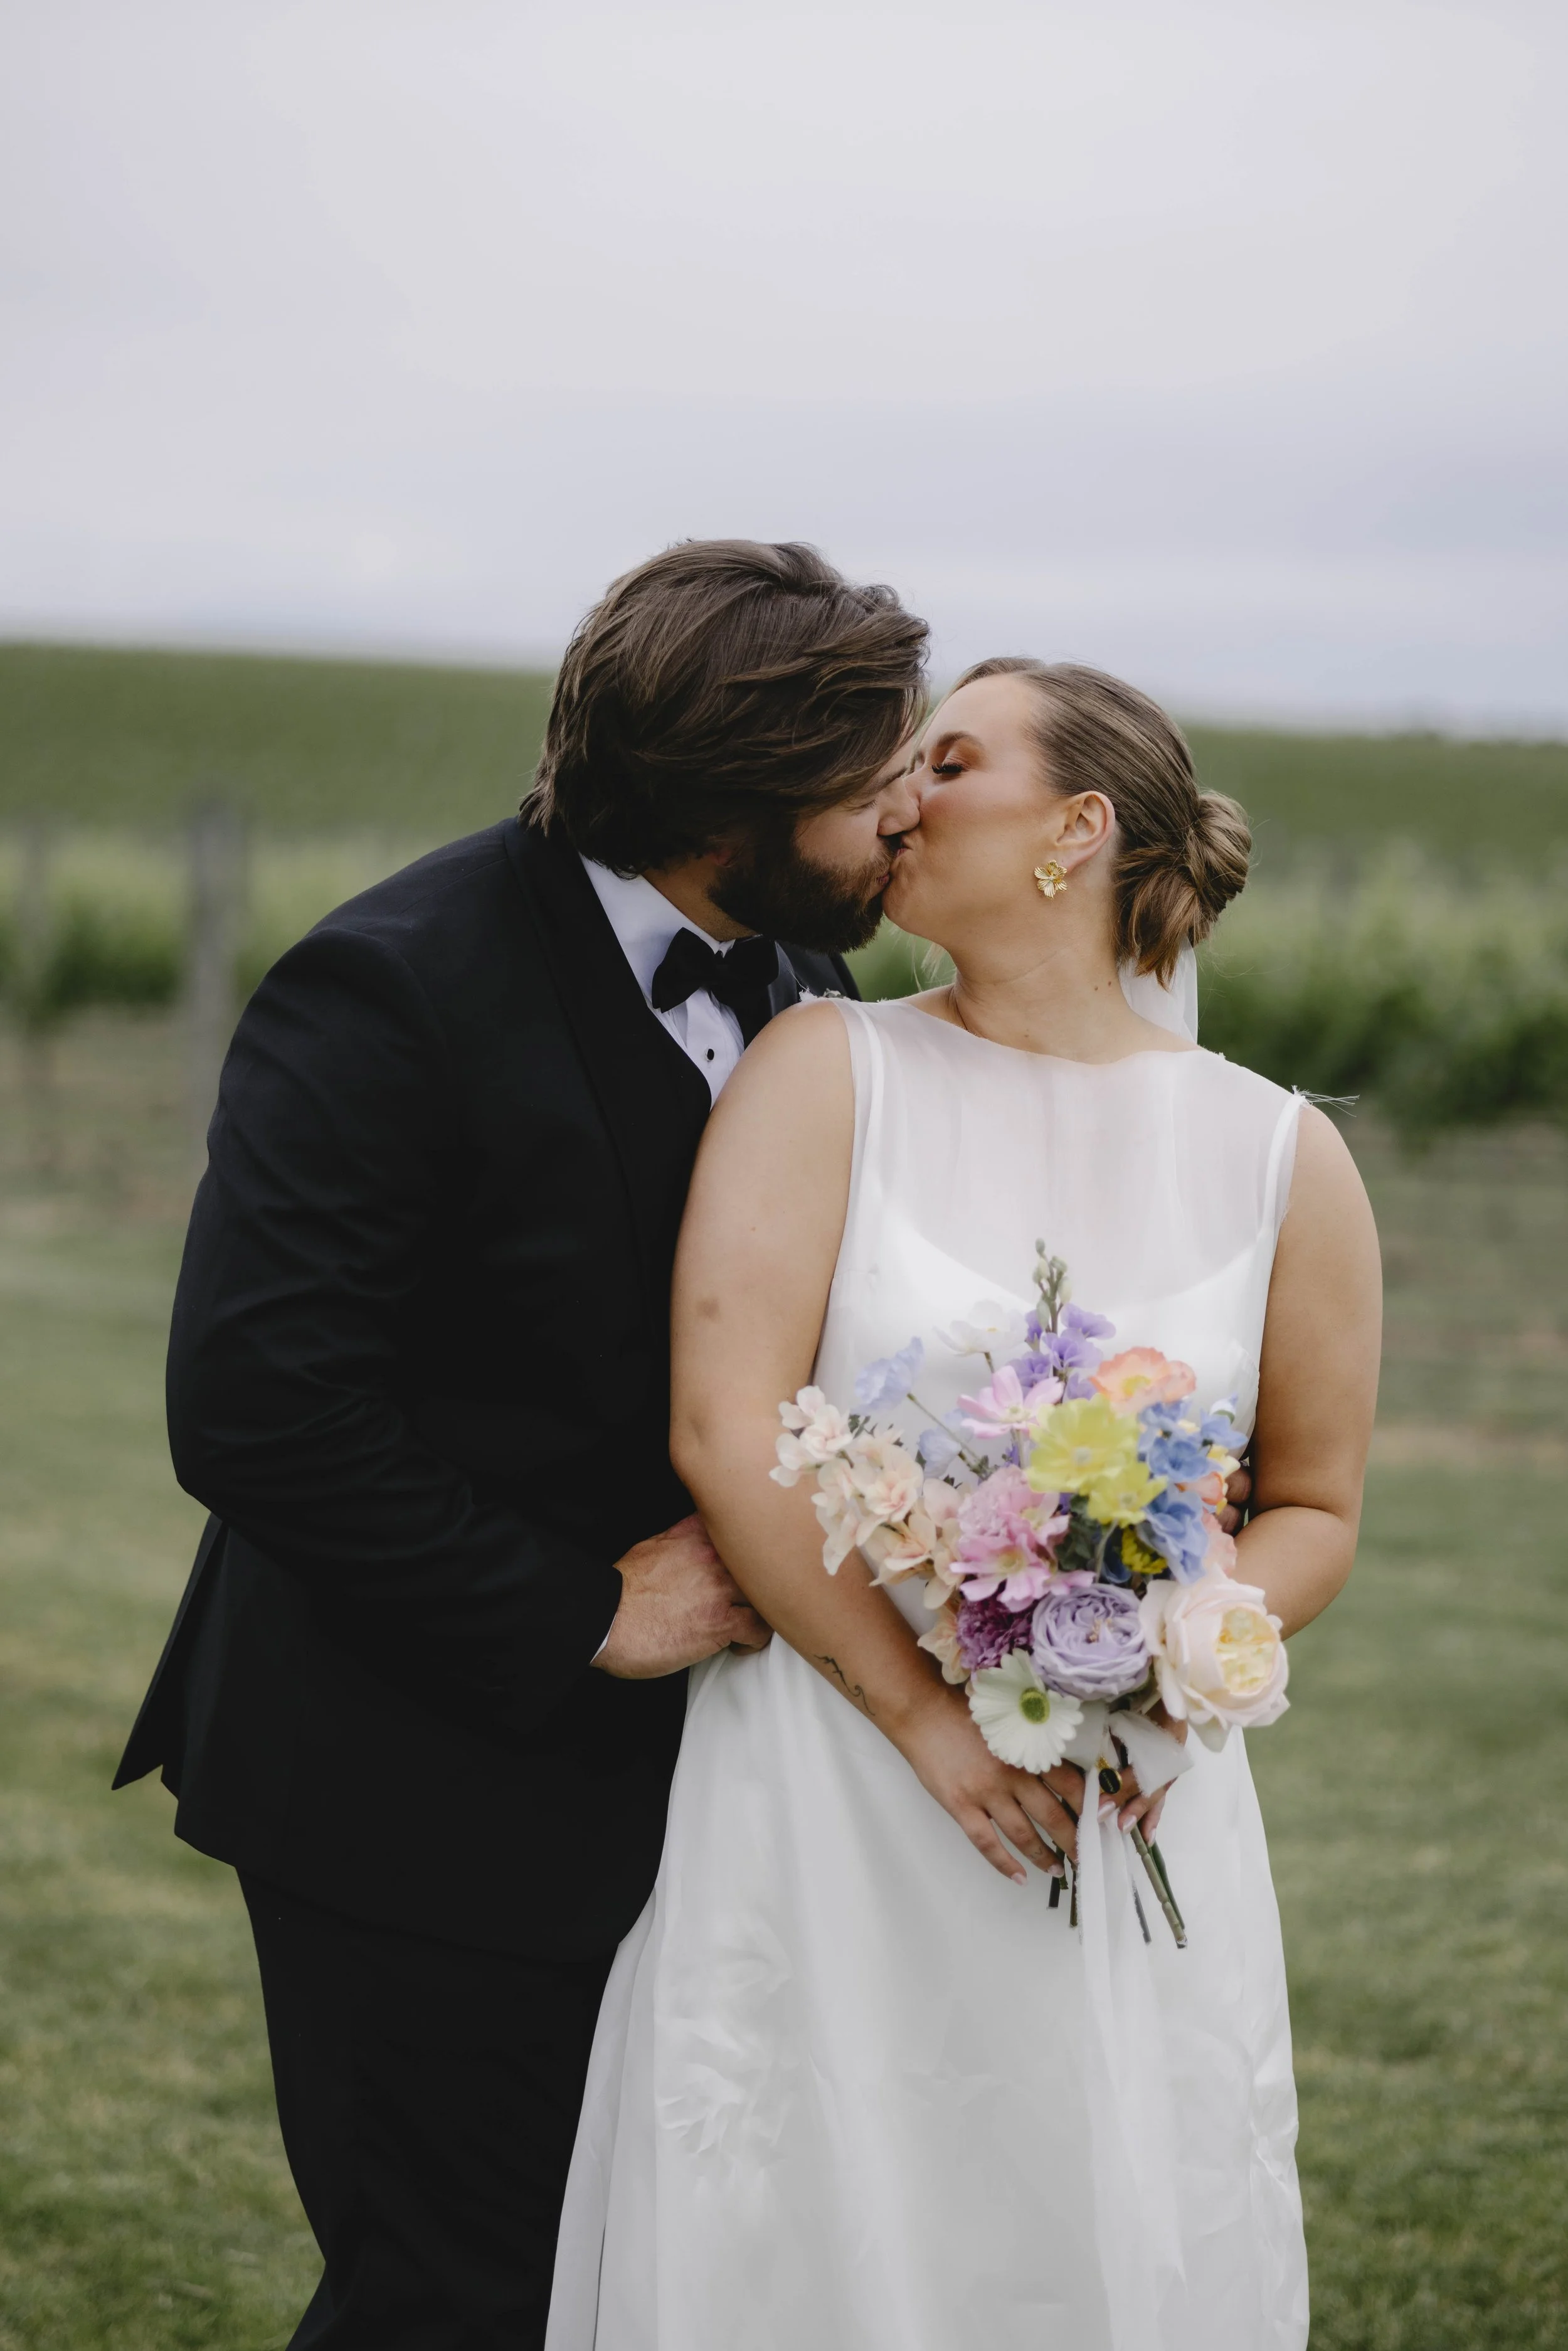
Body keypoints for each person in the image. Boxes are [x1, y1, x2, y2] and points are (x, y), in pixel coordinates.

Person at [112, 539, 930, 2349]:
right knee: (457, 2290)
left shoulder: (805, 974)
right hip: (406, 1773)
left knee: (652, 2276)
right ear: (730, 790)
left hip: (699, 1792)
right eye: (869, 772)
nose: (905, 811)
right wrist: (577, 1608)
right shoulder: (391, 986)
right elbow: (258, 1402)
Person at [546, 658, 1382, 2350]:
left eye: (948, 759)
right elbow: (726, 1431)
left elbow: (1309, 1503)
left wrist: (1172, 1657)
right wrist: (929, 1713)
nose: (897, 795)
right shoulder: (822, 1068)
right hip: (840, 1778)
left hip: (1123, 1788)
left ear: (1076, 827)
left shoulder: (1282, 1154)